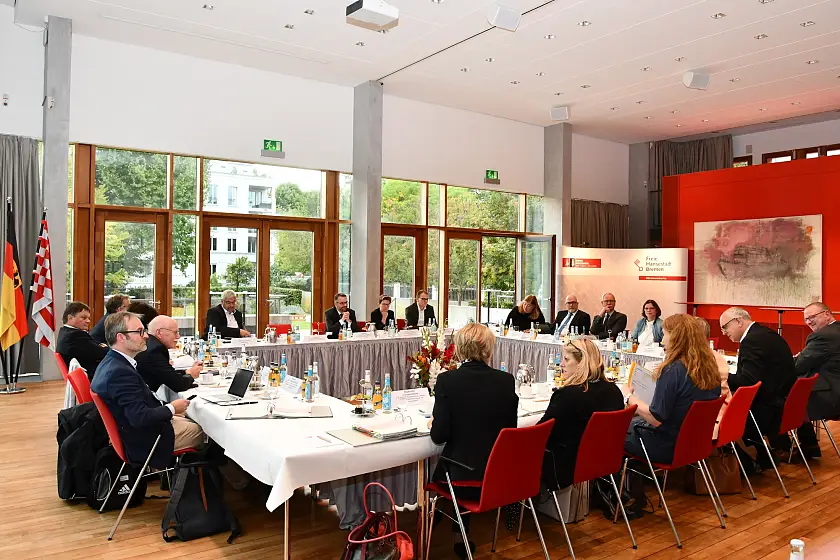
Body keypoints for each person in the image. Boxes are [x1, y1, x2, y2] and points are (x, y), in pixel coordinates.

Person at [429, 323, 518, 559]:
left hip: (461, 477)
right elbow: (510, 430)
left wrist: (434, 421)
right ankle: (456, 528)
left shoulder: (448, 380)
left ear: (459, 349)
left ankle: (432, 522)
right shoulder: (506, 380)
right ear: (489, 349)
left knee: (448, 461)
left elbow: (439, 436)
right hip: (496, 474)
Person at [90, 312, 204, 469]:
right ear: (121, 337)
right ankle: (207, 484)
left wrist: (169, 409)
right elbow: (139, 417)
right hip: (145, 439)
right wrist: (171, 408)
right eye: (139, 332)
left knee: (197, 419)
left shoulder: (113, 361)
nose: (145, 336)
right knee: (207, 430)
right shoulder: (119, 373)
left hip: (136, 429)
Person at [625, 314, 722, 465]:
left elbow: (656, 419)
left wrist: (628, 397)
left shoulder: (673, 369)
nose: (662, 340)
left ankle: (619, 485)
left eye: (665, 335)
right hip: (695, 442)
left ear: (677, 337)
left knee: (612, 432)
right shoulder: (709, 367)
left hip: (668, 445)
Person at [539, 339, 623, 489]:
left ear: (581, 363)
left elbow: (541, 433)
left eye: (566, 359)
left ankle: (513, 508)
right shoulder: (614, 391)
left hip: (566, 466)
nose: (562, 364)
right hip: (604, 461)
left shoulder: (568, 395)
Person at [719, 307, 798, 461]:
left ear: (738, 321)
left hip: (766, 410)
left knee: (723, 418)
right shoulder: (766, 334)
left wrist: (720, 376)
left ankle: (755, 461)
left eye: (725, 327)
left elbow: (748, 382)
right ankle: (765, 456)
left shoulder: (752, 340)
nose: (723, 332)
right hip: (783, 402)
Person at [791, 302, 840, 454]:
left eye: (812, 317)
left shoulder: (821, 337)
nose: (809, 322)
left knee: (785, 398)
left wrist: (793, 359)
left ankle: (803, 446)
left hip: (830, 394)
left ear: (827, 314)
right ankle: (809, 445)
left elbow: (798, 366)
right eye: (806, 319)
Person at [136, 315, 202, 393]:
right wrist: (191, 375)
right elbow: (178, 384)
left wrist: (186, 372)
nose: (178, 336)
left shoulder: (151, 343)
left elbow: (166, 373)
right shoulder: (155, 350)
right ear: (159, 333)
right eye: (175, 332)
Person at [56, 302, 109, 381]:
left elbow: (96, 346)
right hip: (92, 377)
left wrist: (101, 346)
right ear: (70, 318)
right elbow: (101, 353)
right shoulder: (75, 335)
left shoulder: (65, 331)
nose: (88, 321)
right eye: (84, 318)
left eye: (88, 318)